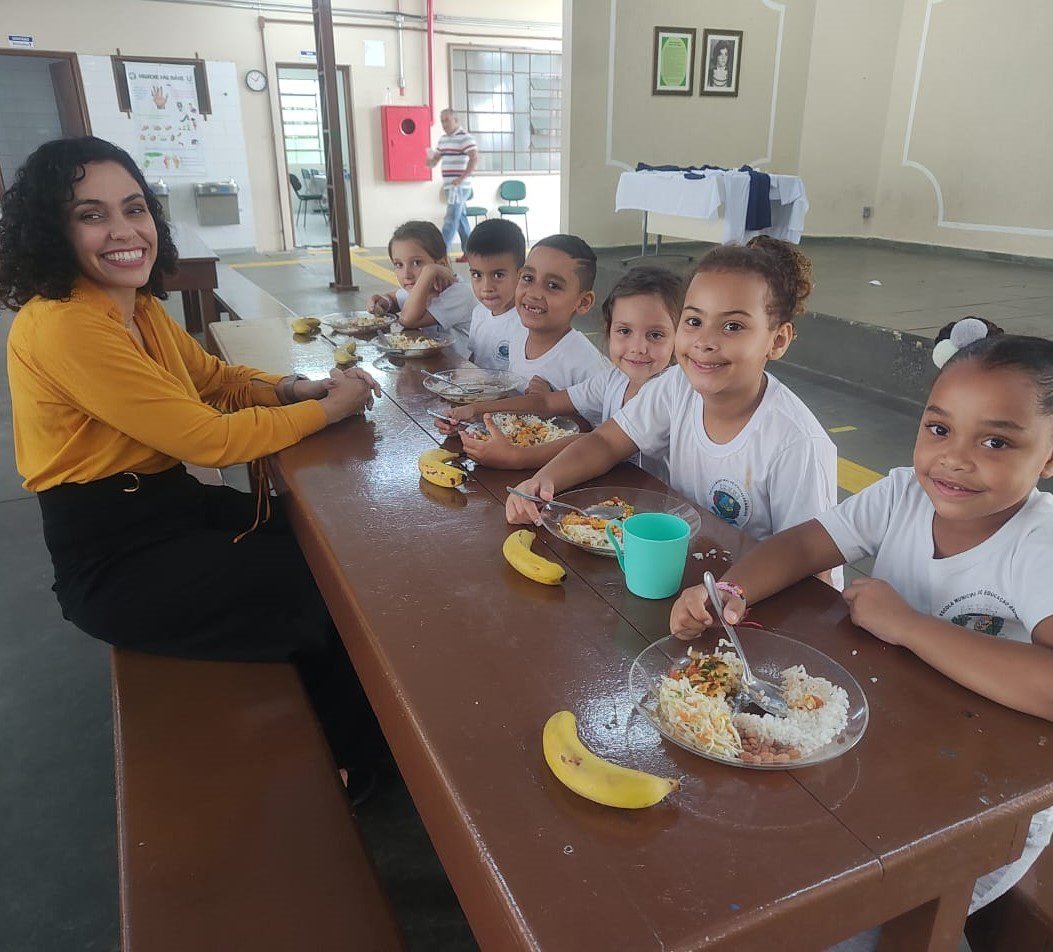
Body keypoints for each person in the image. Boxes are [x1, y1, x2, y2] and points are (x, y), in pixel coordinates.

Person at [1, 136, 384, 800]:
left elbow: (216, 379)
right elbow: (207, 437)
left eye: (134, 208)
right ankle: (355, 770)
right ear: (52, 230)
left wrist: (298, 389)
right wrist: (331, 413)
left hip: (169, 507)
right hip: (116, 556)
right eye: (91, 214)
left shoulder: (136, 306)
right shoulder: (62, 324)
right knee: (325, 592)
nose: (124, 230)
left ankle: (348, 734)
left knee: (335, 553)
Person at [669, 323, 1053, 939]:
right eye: (939, 429)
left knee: (853, 924)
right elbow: (802, 544)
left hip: (985, 805)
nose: (954, 457)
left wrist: (909, 626)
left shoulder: (1039, 543)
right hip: (888, 745)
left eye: (997, 443)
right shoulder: (904, 494)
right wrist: (733, 592)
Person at [506, 236, 837, 553]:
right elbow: (605, 443)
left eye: (733, 326)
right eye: (693, 321)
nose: (704, 342)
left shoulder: (797, 444)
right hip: (683, 564)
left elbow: (810, 564)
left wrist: (734, 590)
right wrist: (543, 481)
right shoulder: (676, 386)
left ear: (777, 340)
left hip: (748, 599)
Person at [438, 266, 683, 474]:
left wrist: (516, 457)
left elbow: (599, 442)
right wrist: (472, 410)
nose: (638, 348)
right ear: (607, 331)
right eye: (624, 331)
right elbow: (545, 403)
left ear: (680, 337)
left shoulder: (670, 390)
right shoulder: (613, 379)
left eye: (655, 335)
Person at [505, 234, 611, 395]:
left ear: (583, 302)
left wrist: (551, 402)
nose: (534, 294)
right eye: (528, 278)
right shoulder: (517, 336)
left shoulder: (587, 366)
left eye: (553, 286)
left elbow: (604, 419)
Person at [367, 220, 476, 337]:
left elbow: (407, 320)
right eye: (399, 265)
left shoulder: (460, 294)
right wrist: (383, 302)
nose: (406, 274)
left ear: (441, 264)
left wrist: (429, 272)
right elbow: (393, 299)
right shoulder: (422, 289)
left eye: (416, 262)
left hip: (457, 356)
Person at [463, 217, 526, 372]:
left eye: (498, 275)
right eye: (477, 275)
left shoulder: (526, 324)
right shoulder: (479, 313)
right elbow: (475, 357)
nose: (486, 288)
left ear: (521, 274)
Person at [426, 107, 478, 260]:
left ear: (456, 120)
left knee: (450, 219)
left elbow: (474, 158)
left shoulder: (465, 138)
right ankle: (470, 252)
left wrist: (462, 178)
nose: (444, 124)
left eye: (446, 120)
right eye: (442, 121)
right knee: (460, 219)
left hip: (459, 187)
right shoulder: (443, 139)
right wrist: (430, 160)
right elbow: (435, 160)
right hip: (450, 186)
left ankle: (440, 254)